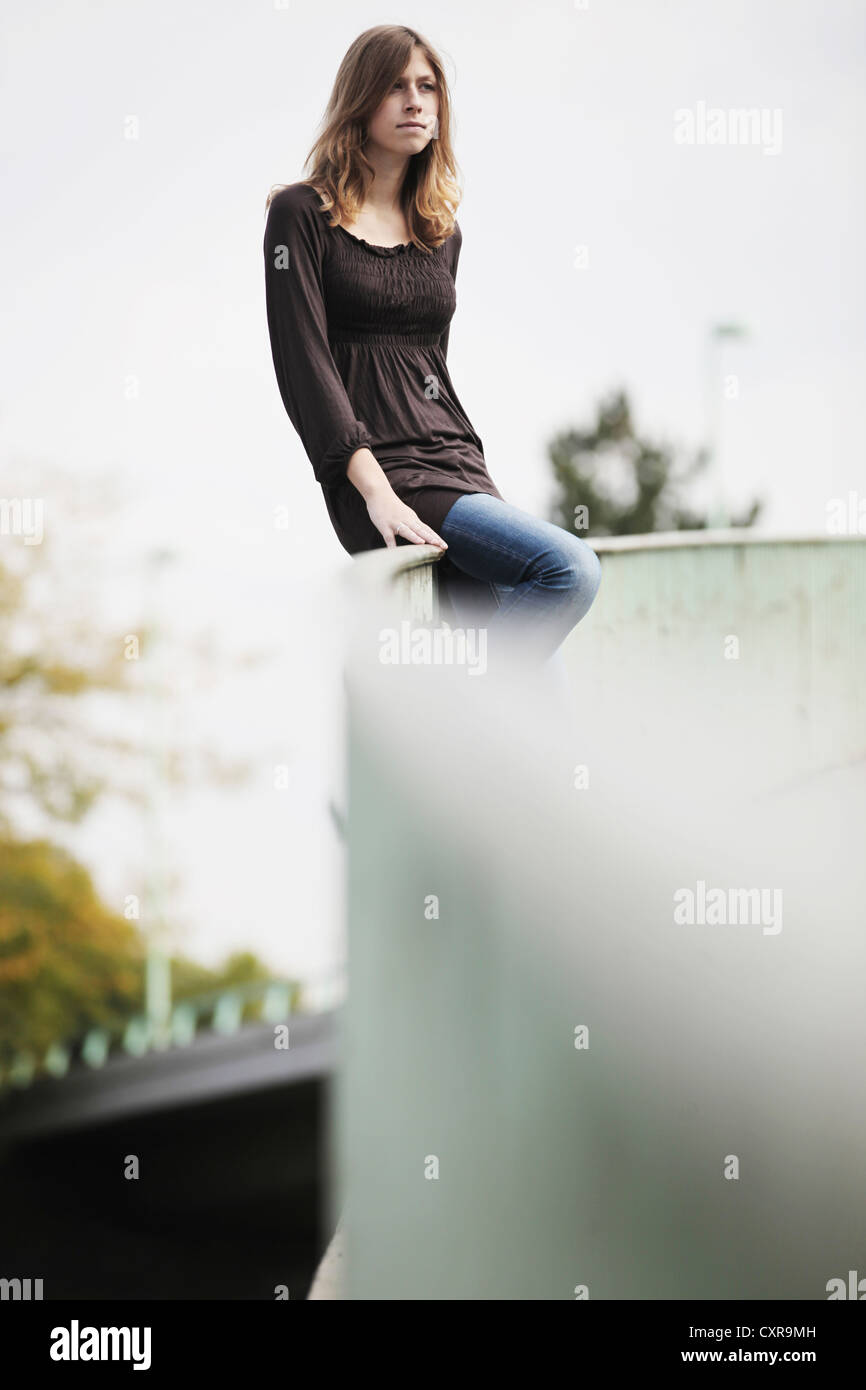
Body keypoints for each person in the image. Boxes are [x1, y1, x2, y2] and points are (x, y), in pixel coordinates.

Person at [263, 24, 601, 672]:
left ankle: (466, 730)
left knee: (540, 694)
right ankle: (466, 711)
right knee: (570, 570)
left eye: (427, 87)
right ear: (359, 101)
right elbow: (304, 367)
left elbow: (429, 368)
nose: (415, 102)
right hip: (384, 476)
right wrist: (375, 491)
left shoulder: (440, 234)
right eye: (395, 87)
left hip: (459, 467)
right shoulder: (301, 215)